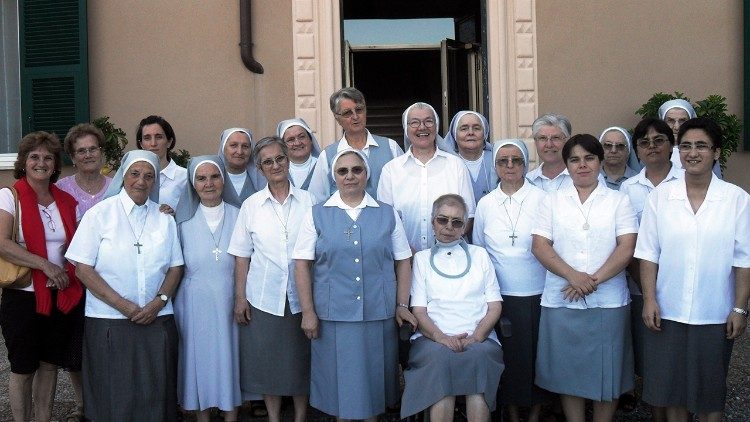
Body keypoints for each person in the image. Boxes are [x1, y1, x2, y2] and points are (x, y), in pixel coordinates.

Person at [635, 117, 749, 422]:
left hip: (714, 311)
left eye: (701, 145)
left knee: (711, 393)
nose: (692, 152)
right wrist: (649, 298)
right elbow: (648, 254)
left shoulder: (736, 199)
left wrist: (739, 308)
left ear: (716, 152)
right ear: (677, 151)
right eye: (685, 146)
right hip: (667, 311)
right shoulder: (660, 197)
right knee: (672, 392)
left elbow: (743, 259)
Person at [293, 148, 417, 421]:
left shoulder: (387, 213)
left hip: (378, 313)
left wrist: (401, 304)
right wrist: (308, 312)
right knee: (340, 392)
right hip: (332, 315)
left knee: (372, 390)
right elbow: (302, 264)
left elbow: (403, 260)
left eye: (356, 170)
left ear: (366, 175)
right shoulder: (316, 215)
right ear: (334, 176)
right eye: (342, 171)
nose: (350, 176)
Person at [65, 150, 184, 422]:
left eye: (148, 176)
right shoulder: (100, 215)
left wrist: (160, 301)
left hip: (157, 317)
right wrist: (123, 305)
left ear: (154, 182)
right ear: (123, 176)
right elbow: (82, 268)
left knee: (156, 392)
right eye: (135, 173)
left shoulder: (164, 218)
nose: (141, 181)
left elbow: (176, 267)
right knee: (112, 392)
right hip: (109, 319)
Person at [531, 134, 638, 422]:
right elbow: (540, 246)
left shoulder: (619, 201)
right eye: (574, 159)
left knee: (608, 373)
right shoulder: (550, 201)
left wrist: (592, 281)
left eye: (589, 158)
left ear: (600, 161)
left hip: (608, 301)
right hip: (562, 297)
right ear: (566, 165)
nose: (582, 165)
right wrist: (574, 277)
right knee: (569, 373)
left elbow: (626, 247)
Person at [228, 137, 314, 422]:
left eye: (280, 159)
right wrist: (240, 298)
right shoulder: (251, 206)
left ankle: (301, 417)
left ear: (288, 160)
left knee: (301, 362)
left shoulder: (311, 202)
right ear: (259, 168)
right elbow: (242, 256)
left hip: (302, 297)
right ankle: (274, 418)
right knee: (269, 364)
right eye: (268, 162)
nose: (275, 165)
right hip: (264, 296)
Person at [0, 131, 84, 422]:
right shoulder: (9, 196)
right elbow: (2, 243)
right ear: (23, 162)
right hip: (23, 297)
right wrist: (45, 265)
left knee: (49, 365)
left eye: (48, 157)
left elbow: (73, 245)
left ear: (55, 164)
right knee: (23, 368)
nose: (41, 162)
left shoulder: (66, 200)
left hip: (58, 293)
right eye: (34, 157)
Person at [401, 194, 504, 421]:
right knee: (441, 362)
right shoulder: (421, 259)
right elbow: (419, 311)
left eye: (457, 222)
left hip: (479, 338)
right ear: (432, 221)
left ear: (464, 226)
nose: (449, 227)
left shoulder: (481, 255)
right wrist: (441, 338)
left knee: (479, 359)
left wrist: (476, 337)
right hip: (432, 339)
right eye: (442, 220)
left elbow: (495, 306)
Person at [473, 140, 550, 422]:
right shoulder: (486, 203)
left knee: (537, 359)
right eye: (503, 161)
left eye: (516, 160)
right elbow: (480, 247)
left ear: (525, 164)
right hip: (501, 295)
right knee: (510, 360)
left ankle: (536, 414)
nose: (509, 166)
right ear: (495, 166)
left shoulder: (542, 199)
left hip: (539, 292)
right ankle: (513, 414)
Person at [619, 118, 683, 420]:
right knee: (654, 357)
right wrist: (647, 289)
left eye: (659, 140)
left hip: (681, 282)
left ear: (671, 145)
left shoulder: (688, 180)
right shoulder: (629, 188)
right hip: (640, 282)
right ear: (637, 150)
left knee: (682, 358)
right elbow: (627, 242)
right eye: (644, 142)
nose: (652, 147)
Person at [173, 156, 241, 422]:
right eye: (201, 178)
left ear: (223, 180)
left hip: (230, 296)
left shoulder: (240, 215)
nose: (209, 183)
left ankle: (231, 415)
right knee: (197, 359)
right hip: (193, 299)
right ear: (193, 184)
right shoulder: (180, 220)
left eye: (214, 177)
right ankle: (202, 416)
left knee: (229, 357)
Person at [377, 102, 475, 252]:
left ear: (436, 126)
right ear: (406, 129)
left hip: (449, 256)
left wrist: (443, 247)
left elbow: (469, 216)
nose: (422, 127)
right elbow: (384, 220)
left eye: (428, 121)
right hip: (405, 260)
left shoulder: (456, 166)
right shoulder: (391, 170)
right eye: (414, 122)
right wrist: (407, 253)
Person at [307, 87, 404, 203]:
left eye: (359, 110)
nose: (355, 117)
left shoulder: (391, 147)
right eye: (347, 113)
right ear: (337, 118)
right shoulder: (327, 156)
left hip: (384, 219)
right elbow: (317, 199)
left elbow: (404, 189)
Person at [56, 123, 113, 215]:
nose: (88, 155)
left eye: (93, 149)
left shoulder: (115, 188)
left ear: (101, 152)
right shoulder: (61, 189)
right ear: (72, 158)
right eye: (81, 151)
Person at [136, 115, 188, 212]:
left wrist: (174, 216)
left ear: (169, 141)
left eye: (158, 137)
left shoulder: (184, 177)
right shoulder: (132, 177)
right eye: (147, 138)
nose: (153, 143)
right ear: (141, 144)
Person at [658, 99, 721, 177]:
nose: (677, 127)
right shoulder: (653, 151)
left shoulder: (705, 151)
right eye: (670, 120)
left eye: (682, 121)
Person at [443, 111, 497, 202]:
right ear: (454, 134)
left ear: (485, 133)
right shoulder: (446, 163)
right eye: (464, 129)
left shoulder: (497, 160)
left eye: (476, 128)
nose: (470, 133)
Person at [526, 114, 574, 192]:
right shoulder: (527, 181)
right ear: (535, 142)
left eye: (556, 138)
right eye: (542, 138)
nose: (549, 145)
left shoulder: (583, 177)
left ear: (568, 141)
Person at [217, 127, 261, 207]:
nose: (240, 152)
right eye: (233, 145)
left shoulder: (262, 181)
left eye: (245, 146)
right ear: (223, 148)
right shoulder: (213, 181)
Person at [277, 118, 322, 190]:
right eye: (291, 140)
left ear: (310, 140)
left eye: (301, 137)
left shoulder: (323, 165)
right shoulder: (277, 170)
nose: (297, 143)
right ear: (283, 146)